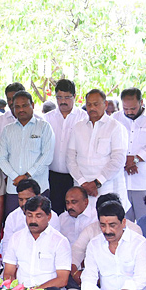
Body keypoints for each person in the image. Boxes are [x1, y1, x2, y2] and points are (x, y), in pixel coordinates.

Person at [63, 197, 146, 290]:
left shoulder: (139, 243)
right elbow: (89, 276)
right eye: (103, 225)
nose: (107, 230)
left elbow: (140, 280)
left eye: (112, 225)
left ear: (123, 222)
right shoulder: (94, 244)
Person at [67, 88, 129, 215]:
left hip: (108, 188)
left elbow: (118, 160)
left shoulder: (116, 127)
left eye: (96, 104)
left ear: (105, 105)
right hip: (82, 188)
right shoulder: (78, 127)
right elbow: (70, 158)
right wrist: (83, 183)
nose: (92, 108)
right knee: (83, 225)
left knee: (108, 224)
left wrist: (97, 183)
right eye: (89, 104)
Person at [0, 91, 55, 221]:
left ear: (32, 105)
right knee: (14, 224)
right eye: (17, 106)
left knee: (39, 223)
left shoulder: (44, 127)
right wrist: (16, 177)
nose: (21, 109)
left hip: (39, 187)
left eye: (25, 105)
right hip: (14, 188)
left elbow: (47, 156)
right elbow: (1, 157)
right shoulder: (7, 130)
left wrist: (27, 176)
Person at [1, 195, 71, 290]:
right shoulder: (16, 238)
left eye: (38, 216)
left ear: (49, 216)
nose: (33, 220)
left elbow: (62, 279)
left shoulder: (60, 241)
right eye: (29, 215)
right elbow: (9, 272)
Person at [113, 88, 146, 222]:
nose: (129, 112)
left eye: (133, 108)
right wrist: (125, 160)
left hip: (145, 181)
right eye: (125, 108)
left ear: (141, 102)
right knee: (124, 223)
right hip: (121, 180)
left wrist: (137, 158)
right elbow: (110, 143)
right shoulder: (115, 119)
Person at [45, 79, 89, 214]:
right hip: (52, 175)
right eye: (59, 97)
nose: (62, 101)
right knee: (54, 211)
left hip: (75, 176)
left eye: (67, 97)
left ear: (74, 96)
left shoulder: (84, 118)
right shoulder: (47, 119)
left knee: (75, 212)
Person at [0, 178, 42, 260]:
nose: (24, 203)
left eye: (28, 199)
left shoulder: (50, 217)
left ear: (38, 197)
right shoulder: (12, 217)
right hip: (16, 265)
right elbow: (7, 247)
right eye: (21, 199)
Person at [57, 185, 92, 252]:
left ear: (85, 202)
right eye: (67, 202)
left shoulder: (95, 218)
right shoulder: (62, 218)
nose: (70, 206)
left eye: (74, 202)